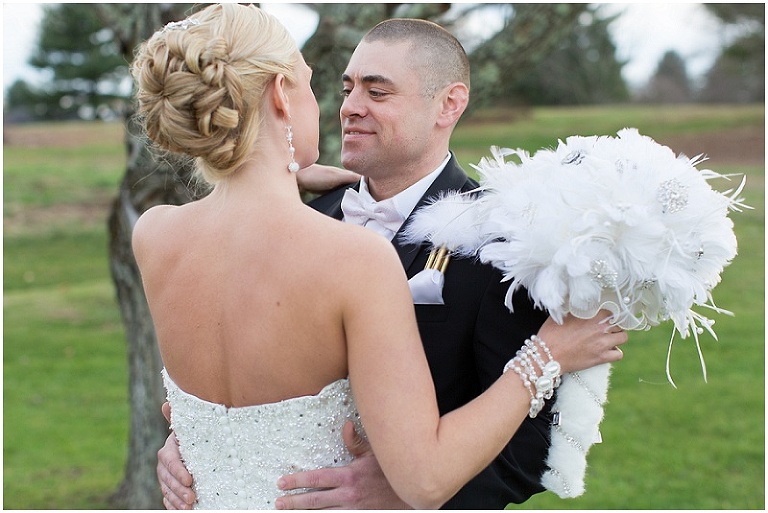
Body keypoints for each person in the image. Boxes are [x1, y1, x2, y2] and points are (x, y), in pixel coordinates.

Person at [141, 6, 627, 510]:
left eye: (376, 91)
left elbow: (525, 455)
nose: (348, 105)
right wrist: (198, 442)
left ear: (448, 105)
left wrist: (395, 497)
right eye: (344, 87)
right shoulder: (328, 224)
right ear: (282, 95)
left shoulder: (502, 245)